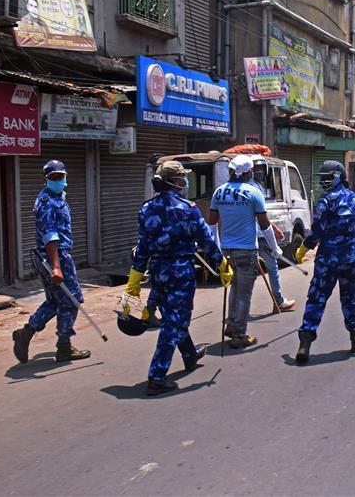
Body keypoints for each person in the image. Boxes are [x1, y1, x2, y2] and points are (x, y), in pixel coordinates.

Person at [125, 161, 228, 395]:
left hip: (158, 271)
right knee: (174, 322)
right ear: (175, 182)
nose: (186, 182)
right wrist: (221, 265)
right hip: (180, 271)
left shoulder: (146, 209)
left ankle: (190, 355)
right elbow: (206, 240)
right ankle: (157, 376)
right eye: (183, 178)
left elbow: (143, 248)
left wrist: (134, 279)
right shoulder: (187, 208)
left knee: (173, 316)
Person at [293, 160, 355, 364]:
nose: (323, 182)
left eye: (327, 178)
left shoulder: (325, 201)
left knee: (316, 299)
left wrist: (303, 249)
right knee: (349, 299)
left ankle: (305, 342)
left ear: (339, 177)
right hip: (350, 259)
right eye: (322, 178)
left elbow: (317, 231)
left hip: (327, 260)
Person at [12, 160, 90, 363]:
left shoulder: (58, 197)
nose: (58, 180)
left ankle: (26, 332)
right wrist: (56, 266)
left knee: (55, 301)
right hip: (55, 256)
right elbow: (50, 235)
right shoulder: (47, 202)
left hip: (49, 256)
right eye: (53, 177)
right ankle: (64, 346)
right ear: (45, 179)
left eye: (61, 176)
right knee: (72, 300)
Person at [208, 154, 282, 348]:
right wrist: (275, 249)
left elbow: (212, 225)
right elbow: (265, 226)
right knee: (244, 293)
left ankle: (232, 324)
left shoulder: (219, 192)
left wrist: (216, 251)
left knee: (234, 287)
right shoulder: (253, 192)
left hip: (226, 250)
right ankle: (240, 334)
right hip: (247, 250)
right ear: (248, 172)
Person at [250, 156, 296, 312]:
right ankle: (279, 301)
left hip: (250, 237)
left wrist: (274, 227)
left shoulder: (252, 186)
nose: (259, 172)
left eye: (261, 169)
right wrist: (274, 244)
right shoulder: (254, 189)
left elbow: (262, 215)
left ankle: (236, 313)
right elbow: (261, 220)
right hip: (259, 236)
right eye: (257, 169)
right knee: (272, 267)